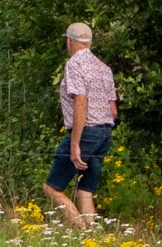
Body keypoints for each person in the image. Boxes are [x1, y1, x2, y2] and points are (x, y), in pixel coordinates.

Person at [46, 22, 118, 228]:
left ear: (69, 42)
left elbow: (81, 101)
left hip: (86, 132)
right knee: (85, 189)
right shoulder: (103, 68)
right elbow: (113, 110)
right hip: (105, 132)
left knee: (53, 188)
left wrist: (75, 143)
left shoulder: (74, 64)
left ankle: (81, 230)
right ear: (89, 42)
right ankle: (92, 234)